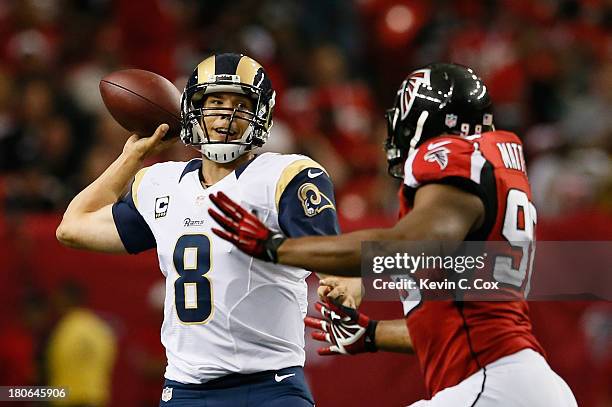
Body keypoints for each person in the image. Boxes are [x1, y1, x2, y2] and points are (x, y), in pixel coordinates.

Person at [207, 63, 578, 406]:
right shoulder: (488, 174)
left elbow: (407, 247)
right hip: (523, 384)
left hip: (493, 385)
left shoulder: (452, 160)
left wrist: (277, 247)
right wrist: (370, 335)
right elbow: (453, 324)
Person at [57, 53, 349, 406]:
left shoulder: (285, 176)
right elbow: (72, 227)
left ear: (262, 113)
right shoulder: (160, 183)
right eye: (215, 101)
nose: (227, 113)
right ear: (192, 109)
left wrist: (348, 284)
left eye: (240, 103)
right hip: (185, 390)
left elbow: (334, 256)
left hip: (270, 387)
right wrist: (131, 157)